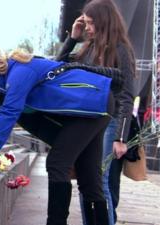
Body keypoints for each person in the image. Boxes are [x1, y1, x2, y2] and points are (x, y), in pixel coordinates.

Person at [0, 38, 124, 225]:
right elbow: (0, 118)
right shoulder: (3, 85)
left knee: (57, 162)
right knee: (89, 179)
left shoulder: (19, 70)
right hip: (93, 105)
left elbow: (10, 112)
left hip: (91, 102)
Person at [56, 0, 136, 224]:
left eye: (91, 23)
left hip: (109, 123)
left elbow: (127, 95)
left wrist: (120, 137)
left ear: (103, 21)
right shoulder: (89, 48)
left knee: (99, 182)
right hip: (88, 123)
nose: (88, 27)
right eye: (86, 23)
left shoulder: (121, 49)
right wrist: (73, 37)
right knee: (86, 180)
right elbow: (59, 66)